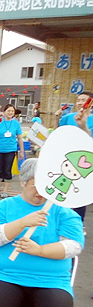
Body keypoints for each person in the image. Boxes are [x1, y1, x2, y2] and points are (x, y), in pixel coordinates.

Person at [0, 158, 84, 307]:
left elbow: (74, 246)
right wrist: (22, 223)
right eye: (35, 185)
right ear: (23, 182)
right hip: (6, 277)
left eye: (46, 186)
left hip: (52, 281)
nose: (40, 192)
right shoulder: (4, 207)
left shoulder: (62, 211)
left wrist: (40, 250)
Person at [58, 91, 93, 224]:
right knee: (63, 191)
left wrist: (83, 126)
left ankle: (77, 224)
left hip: (85, 164)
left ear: (90, 103)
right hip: (67, 160)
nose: (79, 103)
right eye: (78, 100)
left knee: (79, 194)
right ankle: (60, 223)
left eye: (83, 100)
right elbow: (60, 135)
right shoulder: (68, 118)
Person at [0, 104, 24, 199]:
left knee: (7, 170)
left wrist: (21, 151)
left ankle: (5, 191)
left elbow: (20, 138)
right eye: (9, 111)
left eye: (12, 111)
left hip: (11, 149)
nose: (10, 113)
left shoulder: (16, 123)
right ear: (4, 111)